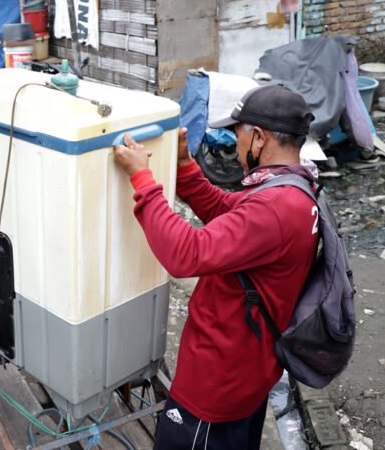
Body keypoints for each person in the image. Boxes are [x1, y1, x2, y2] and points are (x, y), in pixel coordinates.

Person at [113, 84, 320, 450]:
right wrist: (185, 166)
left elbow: (186, 254)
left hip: (216, 385)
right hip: (248, 373)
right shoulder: (294, 186)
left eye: (237, 134)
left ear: (258, 138)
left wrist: (143, 181)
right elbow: (230, 212)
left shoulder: (276, 206)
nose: (234, 144)